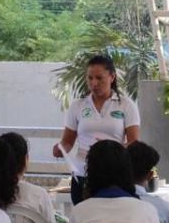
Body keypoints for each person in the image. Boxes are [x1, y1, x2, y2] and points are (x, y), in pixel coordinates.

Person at [54, 55, 141, 206]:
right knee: (83, 216)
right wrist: (60, 149)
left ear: (112, 77)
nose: (94, 83)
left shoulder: (126, 105)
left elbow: (134, 142)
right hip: (83, 172)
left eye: (99, 78)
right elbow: (67, 141)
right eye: (90, 78)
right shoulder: (78, 105)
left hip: (114, 173)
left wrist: (109, 148)